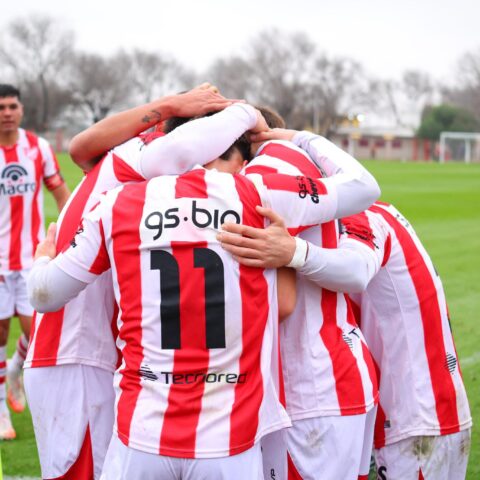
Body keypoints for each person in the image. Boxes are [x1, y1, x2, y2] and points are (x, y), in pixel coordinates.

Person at [27, 102, 379, 479]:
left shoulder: (118, 204)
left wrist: (43, 258)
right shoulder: (256, 195)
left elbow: (44, 294)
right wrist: (302, 138)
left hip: (141, 436)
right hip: (228, 441)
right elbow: (363, 187)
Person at [24, 86, 250, 480]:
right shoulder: (148, 157)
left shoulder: (130, 161)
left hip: (87, 353)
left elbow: (80, 148)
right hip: (76, 353)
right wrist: (248, 114)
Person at [218, 201, 472, 480]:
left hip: (412, 423)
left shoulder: (358, 217)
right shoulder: (379, 211)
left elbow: (356, 270)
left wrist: (294, 252)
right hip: (431, 413)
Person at [219, 126, 379, 480]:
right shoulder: (306, 166)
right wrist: (304, 137)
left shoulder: (262, 177)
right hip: (341, 376)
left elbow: (283, 303)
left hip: (308, 391)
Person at [0, 84, 70, 440]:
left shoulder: (38, 148)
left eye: (12, 106)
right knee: (0, 333)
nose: (7, 113)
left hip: (32, 259)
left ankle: (15, 371)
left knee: (36, 334)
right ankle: (1, 410)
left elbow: (61, 193)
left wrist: (71, 233)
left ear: (21, 110)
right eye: (1, 107)